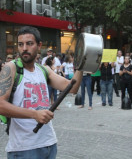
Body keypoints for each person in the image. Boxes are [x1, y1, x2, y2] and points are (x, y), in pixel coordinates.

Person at [0, 26, 83, 159]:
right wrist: (34, 114)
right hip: (24, 149)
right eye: (20, 44)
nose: (24, 48)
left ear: (39, 46)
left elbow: (72, 88)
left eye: (29, 43)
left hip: (49, 143)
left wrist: (81, 64)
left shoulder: (44, 70)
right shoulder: (11, 68)